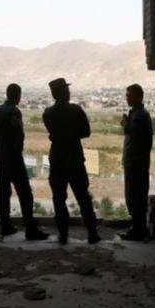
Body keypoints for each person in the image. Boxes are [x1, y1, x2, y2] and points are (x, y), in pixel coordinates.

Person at [0, 83, 49, 239]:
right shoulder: (14, 112)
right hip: (13, 157)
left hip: (1, 156)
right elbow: (19, 134)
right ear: (17, 95)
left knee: (4, 193)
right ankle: (30, 229)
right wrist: (15, 145)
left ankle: (5, 226)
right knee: (25, 194)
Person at [42, 77, 100, 244]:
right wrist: (71, 134)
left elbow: (53, 133)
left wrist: (59, 136)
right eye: (67, 90)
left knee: (59, 199)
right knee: (83, 197)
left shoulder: (48, 113)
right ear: (64, 93)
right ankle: (92, 233)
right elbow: (86, 132)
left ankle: (63, 235)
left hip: (57, 159)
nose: (69, 92)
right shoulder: (76, 110)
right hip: (74, 158)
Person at [120, 83, 153, 240]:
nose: (127, 98)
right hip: (135, 162)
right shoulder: (138, 113)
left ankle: (138, 230)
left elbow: (136, 134)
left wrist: (126, 125)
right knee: (136, 195)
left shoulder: (139, 115)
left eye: (129, 95)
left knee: (134, 196)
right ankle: (138, 228)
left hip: (135, 163)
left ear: (138, 97)